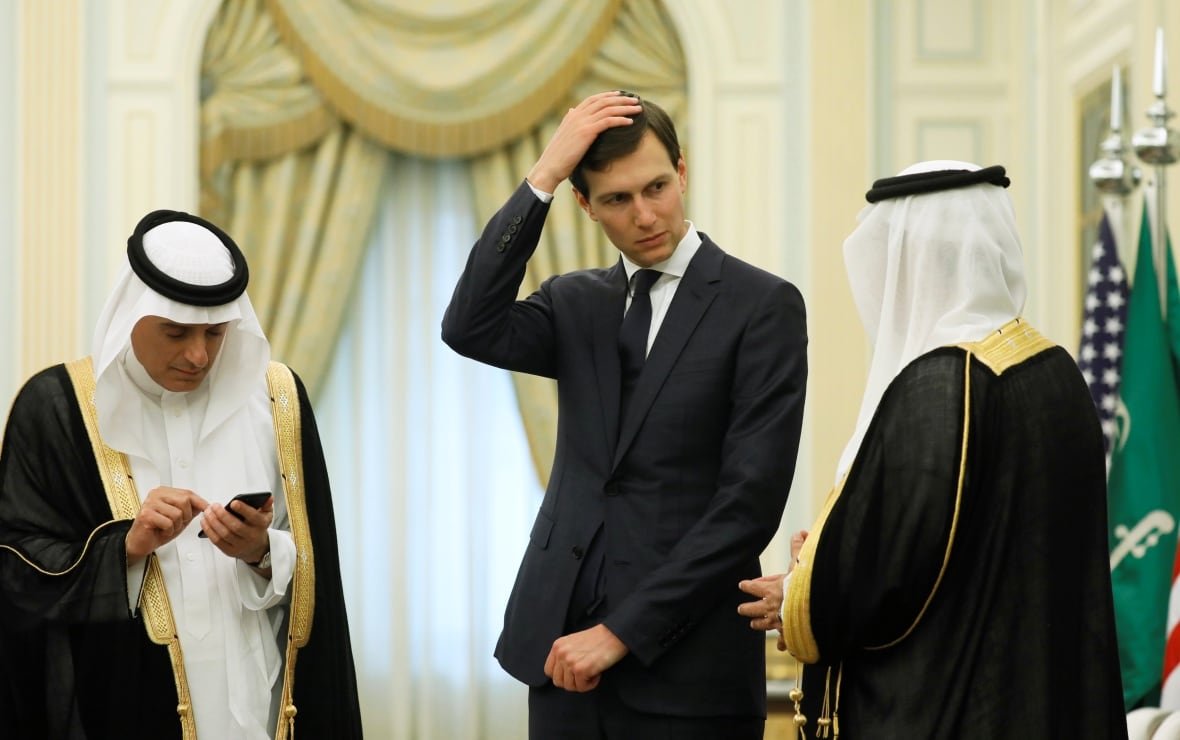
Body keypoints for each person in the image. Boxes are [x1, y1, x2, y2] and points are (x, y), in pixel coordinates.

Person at [441, 90, 808, 738]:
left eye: (658, 187)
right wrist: (543, 176)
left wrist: (618, 635)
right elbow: (469, 325)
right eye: (617, 199)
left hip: (691, 671)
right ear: (585, 204)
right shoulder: (574, 301)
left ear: (683, 171)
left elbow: (747, 504)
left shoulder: (763, 306)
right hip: (559, 659)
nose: (645, 214)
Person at [737, 161, 1127, 738]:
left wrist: (801, 590)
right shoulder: (1054, 369)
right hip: (1038, 697)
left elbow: (894, 563)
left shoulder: (943, 382)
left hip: (952, 702)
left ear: (910, 261)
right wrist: (829, 552)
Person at [0, 210, 363, 739]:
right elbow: (15, 569)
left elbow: (314, 566)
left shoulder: (274, 401)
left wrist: (260, 553)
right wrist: (126, 547)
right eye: (176, 332)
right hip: (122, 707)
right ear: (132, 317)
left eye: (215, 334)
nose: (198, 355)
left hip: (255, 705)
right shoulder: (59, 407)